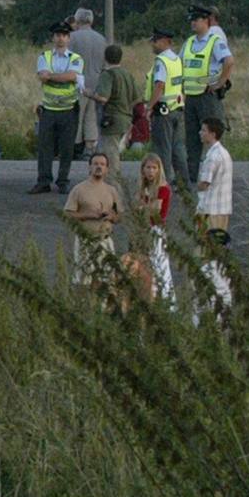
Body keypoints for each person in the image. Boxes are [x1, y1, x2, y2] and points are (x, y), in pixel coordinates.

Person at [181, 5, 234, 185]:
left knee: (212, 136)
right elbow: (181, 64)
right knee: (192, 139)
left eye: (196, 20)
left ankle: (217, 178)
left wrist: (219, 82)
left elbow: (229, 61)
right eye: (192, 20)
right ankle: (193, 179)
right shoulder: (189, 43)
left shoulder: (214, 40)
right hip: (191, 96)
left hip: (207, 96)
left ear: (206, 21)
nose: (193, 23)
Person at [29, 21, 82, 195]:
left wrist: (52, 76)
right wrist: (61, 77)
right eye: (58, 35)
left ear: (68, 38)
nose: (60, 38)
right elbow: (42, 77)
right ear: (53, 38)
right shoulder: (44, 56)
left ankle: (63, 181)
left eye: (64, 35)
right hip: (49, 109)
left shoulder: (76, 58)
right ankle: (43, 181)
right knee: (45, 147)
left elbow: (72, 76)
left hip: (68, 109)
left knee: (67, 148)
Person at [62, 152, 124, 286]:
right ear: (89, 167)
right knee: (83, 281)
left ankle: (102, 307)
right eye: (95, 164)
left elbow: (121, 216)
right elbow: (67, 213)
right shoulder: (79, 189)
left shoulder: (112, 190)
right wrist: (88, 215)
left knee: (106, 280)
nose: (99, 167)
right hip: (86, 241)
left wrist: (112, 217)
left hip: (105, 241)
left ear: (107, 169)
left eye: (102, 164)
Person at [147, 28, 190, 192]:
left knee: (162, 148)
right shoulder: (177, 59)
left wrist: (149, 107)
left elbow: (159, 85)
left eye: (155, 41)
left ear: (164, 41)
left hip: (163, 110)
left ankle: (161, 184)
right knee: (178, 148)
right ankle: (183, 182)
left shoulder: (161, 61)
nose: (153, 44)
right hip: (177, 108)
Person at [89, 43, 139, 165]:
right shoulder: (127, 74)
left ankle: (113, 182)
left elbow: (103, 98)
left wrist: (89, 94)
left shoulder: (108, 74)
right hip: (126, 118)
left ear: (105, 58)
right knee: (115, 151)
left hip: (112, 120)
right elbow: (136, 98)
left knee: (109, 155)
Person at [68, 9, 108, 159]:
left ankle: (75, 147)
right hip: (96, 84)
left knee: (76, 116)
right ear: (91, 21)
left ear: (77, 21)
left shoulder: (72, 38)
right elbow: (105, 63)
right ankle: (90, 148)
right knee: (91, 117)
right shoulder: (101, 39)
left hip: (77, 83)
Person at [136, 153, 174, 306]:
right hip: (144, 228)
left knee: (160, 265)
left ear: (159, 170)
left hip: (156, 229)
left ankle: (166, 300)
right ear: (143, 170)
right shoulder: (144, 188)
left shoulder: (162, 188)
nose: (151, 171)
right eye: (148, 168)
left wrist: (143, 206)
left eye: (154, 168)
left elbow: (155, 210)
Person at [194, 117, 232, 236]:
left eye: (204, 130)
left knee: (203, 246)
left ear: (213, 134)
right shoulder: (224, 152)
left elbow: (205, 183)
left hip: (210, 210)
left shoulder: (212, 157)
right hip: (223, 208)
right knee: (218, 244)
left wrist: (194, 188)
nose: (200, 133)